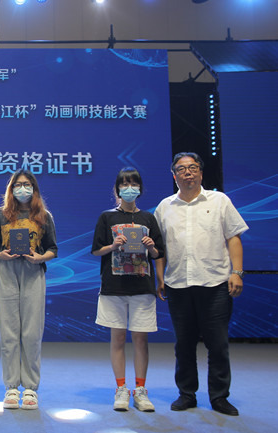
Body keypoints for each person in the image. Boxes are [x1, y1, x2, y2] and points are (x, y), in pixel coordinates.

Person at [154, 152, 248, 416]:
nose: (188, 172)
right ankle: (187, 394)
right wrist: (160, 278)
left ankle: (219, 397)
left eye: (193, 167)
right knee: (183, 345)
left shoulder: (219, 201)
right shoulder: (165, 207)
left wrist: (237, 272)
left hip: (215, 284)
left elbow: (234, 237)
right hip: (178, 285)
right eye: (181, 169)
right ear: (174, 175)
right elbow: (159, 249)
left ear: (201, 172)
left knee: (217, 345)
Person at [0, 169, 57, 410]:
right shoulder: (1, 215)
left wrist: (40, 258)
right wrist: (0, 255)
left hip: (33, 273)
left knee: (32, 332)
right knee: (9, 332)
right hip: (7, 272)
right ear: (11, 189)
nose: (22, 188)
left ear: (34, 189)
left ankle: (31, 388)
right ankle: (11, 387)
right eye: (18, 184)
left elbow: (53, 249)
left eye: (27, 184)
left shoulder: (44, 216)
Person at [91, 167, 164, 412]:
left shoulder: (148, 219)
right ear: (117, 189)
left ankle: (140, 390)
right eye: (124, 184)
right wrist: (113, 246)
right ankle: (121, 388)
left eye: (133, 184)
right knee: (118, 338)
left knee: (141, 339)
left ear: (140, 188)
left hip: (142, 287)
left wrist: (151, 246)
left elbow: (158, 253)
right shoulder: (106, 217)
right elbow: (96, 250)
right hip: (114, 287)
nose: (129, 188)